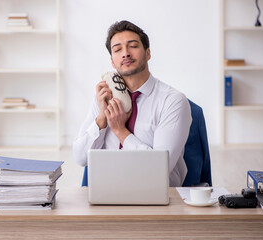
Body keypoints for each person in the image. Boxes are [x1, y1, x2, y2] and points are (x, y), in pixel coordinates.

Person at [73, 20, 192, 187]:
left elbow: (159, 170)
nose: (125, 53)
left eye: (133, 46)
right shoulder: (104, 97)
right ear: (113, 62)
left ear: (148, 53)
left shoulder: (172, 101)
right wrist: (101, 119)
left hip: (155, 197)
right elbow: (80, 158)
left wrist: (120, 130)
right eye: (118, 49)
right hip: (107, 194)